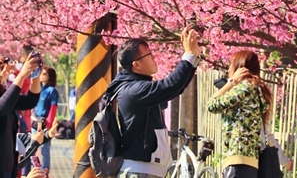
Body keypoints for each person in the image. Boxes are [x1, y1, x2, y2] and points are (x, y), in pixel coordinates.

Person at [111, 28, 202, 178]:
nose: (154, 58)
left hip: (145, 171)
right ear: (137, 65)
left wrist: (193, 57)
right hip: (139, 172)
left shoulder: (136, 86)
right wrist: (189, 56)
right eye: (149, 55)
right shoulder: (134, 90)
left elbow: (173, 89)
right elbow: (170, 85)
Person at [206, 51, 272, 178]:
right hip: (250, 160)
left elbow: (212, 105)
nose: (229, 69)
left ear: (239, 67)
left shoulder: (244, 88)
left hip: (238, 158)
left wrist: (231, 82)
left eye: (231, 64)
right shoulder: (258, 89)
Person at [0, 56, 42, 178]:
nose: (7, 70)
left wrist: (35, 74)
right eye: (2, 68)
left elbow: (30, 101)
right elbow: (2, 107)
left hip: (7, 167)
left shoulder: (3, 92)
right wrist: (22, 75)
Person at [31, 68, 57, 175]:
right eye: (41, 73)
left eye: (44, 74)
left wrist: (49, 124)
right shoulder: (39, 88)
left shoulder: (52, 91)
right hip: (34, 121)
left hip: (44, 123)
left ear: (50, 76)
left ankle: (45, 171)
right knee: (33, 147)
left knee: (44, 149)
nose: (42, 76)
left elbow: (53, 108)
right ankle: (35, 169)